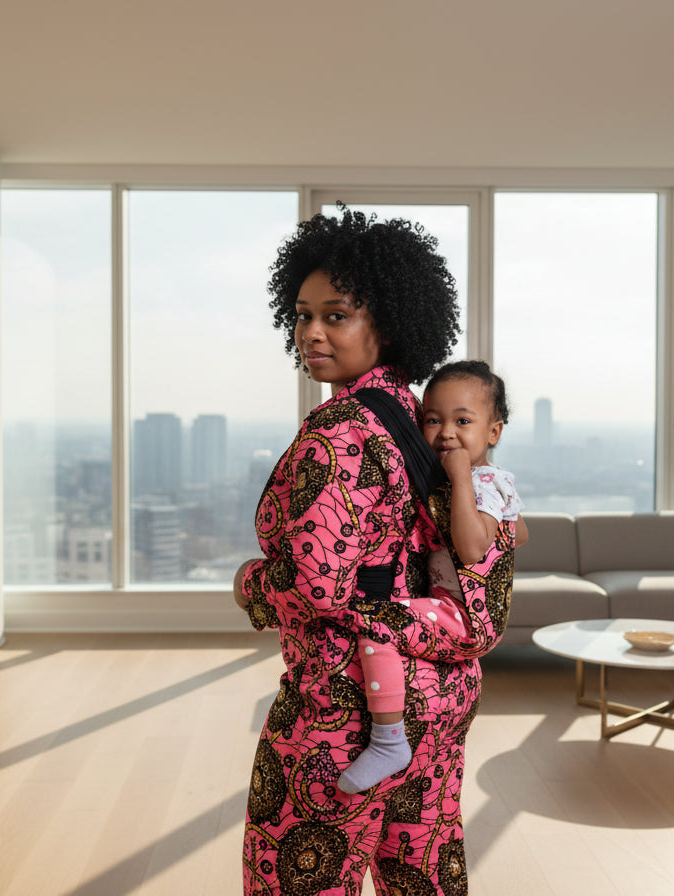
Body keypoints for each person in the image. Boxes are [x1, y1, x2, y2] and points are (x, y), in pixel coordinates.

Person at [233, 205, 515, 896]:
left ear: (385, 321)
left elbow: (317, 586)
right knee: (420, 871)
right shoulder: (419, 422)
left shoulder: (338, 435)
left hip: (342, 708)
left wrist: (250, 585)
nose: (313, 332)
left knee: (295, 881)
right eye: (302, 315)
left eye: (337, 315)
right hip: (438, 698)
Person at [338, 360, 529, 795]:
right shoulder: (494, 484)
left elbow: (473, 548)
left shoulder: (479, 483)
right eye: (433, 420)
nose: (446, 432)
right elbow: (518, 534)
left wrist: (462, 480)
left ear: (494, 432)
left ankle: (388, 741)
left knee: (375, 624)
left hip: (465, 615)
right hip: (452, 609)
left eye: (463, 421)